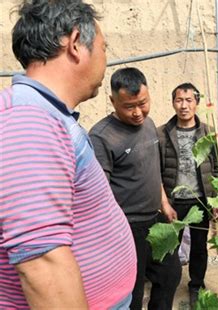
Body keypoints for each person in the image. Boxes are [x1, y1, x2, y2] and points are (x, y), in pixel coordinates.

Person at [0, 1, 136, 308]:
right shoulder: (27, 119)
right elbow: (42, 261)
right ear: (76, 44)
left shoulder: (42, 114)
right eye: (103, 47)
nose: (106, 58)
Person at [89, 68, 181, 310]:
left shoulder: (149, 125)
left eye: (143, 103)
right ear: (113, 101)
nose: (138, 112)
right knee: (133, 290)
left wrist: (164, 203)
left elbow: (154, 169)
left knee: (170, 275)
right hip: (126, 226)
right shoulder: (102, 137)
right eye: (129, 106)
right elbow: (99, 192)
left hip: (156, 219)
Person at [157, 82, 218, 307]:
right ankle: (167, 284)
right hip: (174, 201)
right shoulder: (162, 134)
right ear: (173, 103)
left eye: (189, 100)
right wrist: (164, 202)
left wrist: (216, 199)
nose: (183, 106)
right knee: (170, 246)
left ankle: (196, 285)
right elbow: (157, 171)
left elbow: (216, 169)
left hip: (200, 200)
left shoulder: (207, 133)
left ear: (197, 103)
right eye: (179, 100)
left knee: (200, 246)